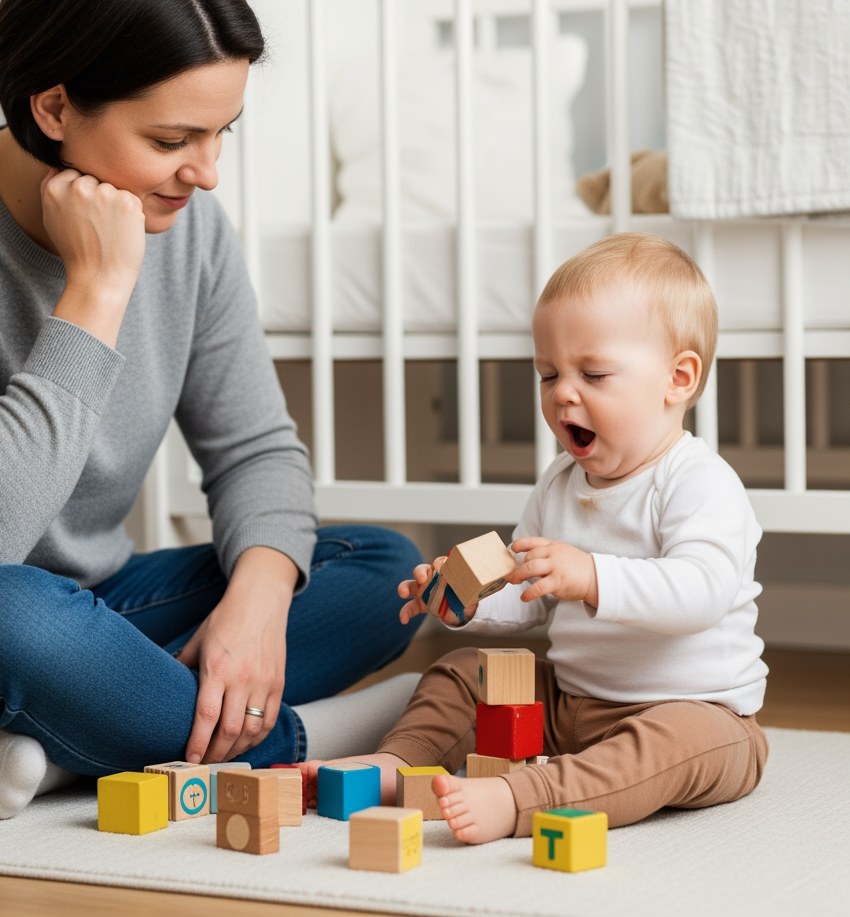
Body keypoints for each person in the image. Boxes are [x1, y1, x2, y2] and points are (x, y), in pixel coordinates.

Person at [0, 0, 424, 820]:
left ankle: (80, 738)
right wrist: (95, 292)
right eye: (173, 139)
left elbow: (256, 451)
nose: (208, 173)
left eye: (223, 132)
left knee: (382, 565)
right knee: (16, 617)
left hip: (89, 606)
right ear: (55, 107)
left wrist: (258, 604)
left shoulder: (193, 235)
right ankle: (312, 740)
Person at [303, 233, 769, 842]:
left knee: (668, 746)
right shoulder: (558, 483)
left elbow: (702, 591)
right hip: (570, 703)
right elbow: (526, 592)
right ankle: (398, 762)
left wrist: (591, 575)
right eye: (548, 374)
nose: (562, 393)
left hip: (697, 714)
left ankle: (520, 797)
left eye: (594, 374)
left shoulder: (699, 482)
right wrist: (466, 599)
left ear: (678, 379)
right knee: (463, 671)